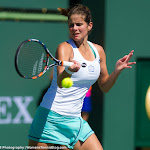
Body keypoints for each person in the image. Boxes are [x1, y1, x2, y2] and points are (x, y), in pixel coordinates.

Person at [28, 4, 136, 150]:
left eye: (79, 24)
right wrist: (70, 71)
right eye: (71, 25)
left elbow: (104, 86)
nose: (75, 29)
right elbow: (60, 81)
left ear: (89, 25)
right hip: (50, 119)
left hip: (75, 120)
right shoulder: (64, 48)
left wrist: (116, 71)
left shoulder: (98, 51)